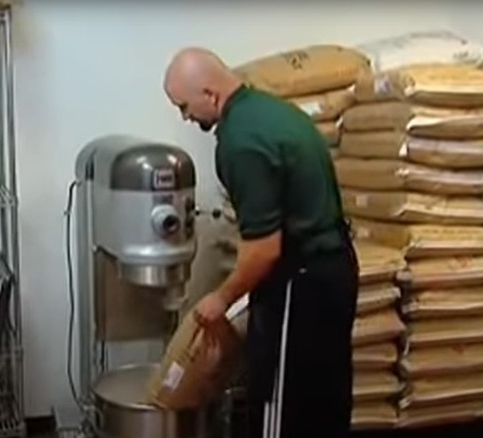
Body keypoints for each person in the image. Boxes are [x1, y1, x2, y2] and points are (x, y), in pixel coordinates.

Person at [163, 47, 360, 438]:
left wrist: (221, 298)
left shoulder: (239, 142)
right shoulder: (273, 111)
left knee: (282, 409)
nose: (186, 117)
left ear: (210, 94)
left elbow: (264, 250)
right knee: (324, 403)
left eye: (185, 107)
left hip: (299, 287)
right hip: (335, 270)